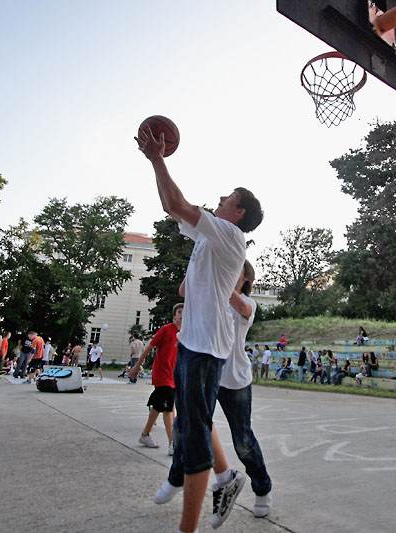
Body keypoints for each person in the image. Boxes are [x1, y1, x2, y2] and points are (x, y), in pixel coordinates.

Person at [137, 122, 263, 533]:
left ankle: (193, 516)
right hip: (197, 345)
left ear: (238, 212)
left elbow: (177, 203)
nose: (222, 197)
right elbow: (169, 205)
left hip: (207, 349)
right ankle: (226, 478)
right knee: (196, 424)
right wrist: (155, 166)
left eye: (229, 197)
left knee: (192, 437)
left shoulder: (229, 235)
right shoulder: (210, 237)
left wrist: (157, 157)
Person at [214, 260, 273, 517]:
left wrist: (217, 277)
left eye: (234, 267)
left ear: (246, 277)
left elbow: (241, 307)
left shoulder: (249, 304)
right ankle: (183, 478)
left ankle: (262, 488)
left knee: (243, 441)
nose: (227, 270)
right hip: (209, 373)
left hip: (235, 378)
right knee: (190, 427)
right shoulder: (214, 296)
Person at [130, 303, 183, 454]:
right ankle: (173, 443)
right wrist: (136, 366)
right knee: (167, 408)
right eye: (179, 312)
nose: (182, 314)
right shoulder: (166, 330)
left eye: (185, 312)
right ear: (174, 315)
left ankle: (145, 435)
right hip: (162, 374)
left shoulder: (185, 333)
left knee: (160, 406)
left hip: (174, 376)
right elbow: (149, 347)